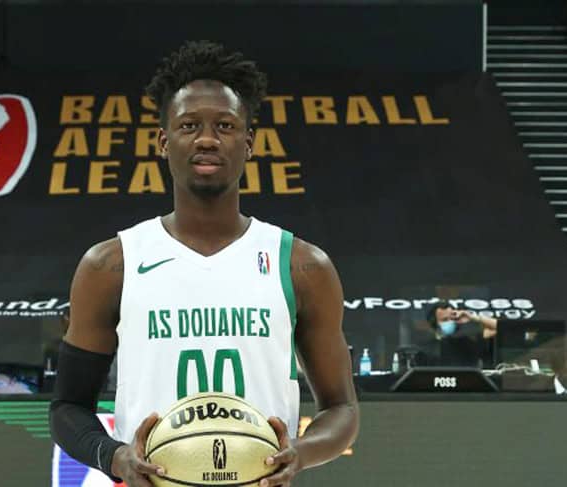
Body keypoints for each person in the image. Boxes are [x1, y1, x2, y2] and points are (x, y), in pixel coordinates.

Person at [50, 41, 359, 487]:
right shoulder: (112, 264)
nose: (208, 139)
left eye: (225, 126)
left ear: (249, 144)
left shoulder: (302, 265)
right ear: (163, 142)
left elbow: (342, 409)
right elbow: (67, 408)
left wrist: (301, 453)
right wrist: (116, 459)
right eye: (189, 125)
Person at [424, 301, 498, 367]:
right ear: (434, 323)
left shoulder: (467, 340)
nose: (450, 322)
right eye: (445, 319)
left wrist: (472, 317)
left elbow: (500, 327)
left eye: (452, 318)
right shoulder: (426, 349)